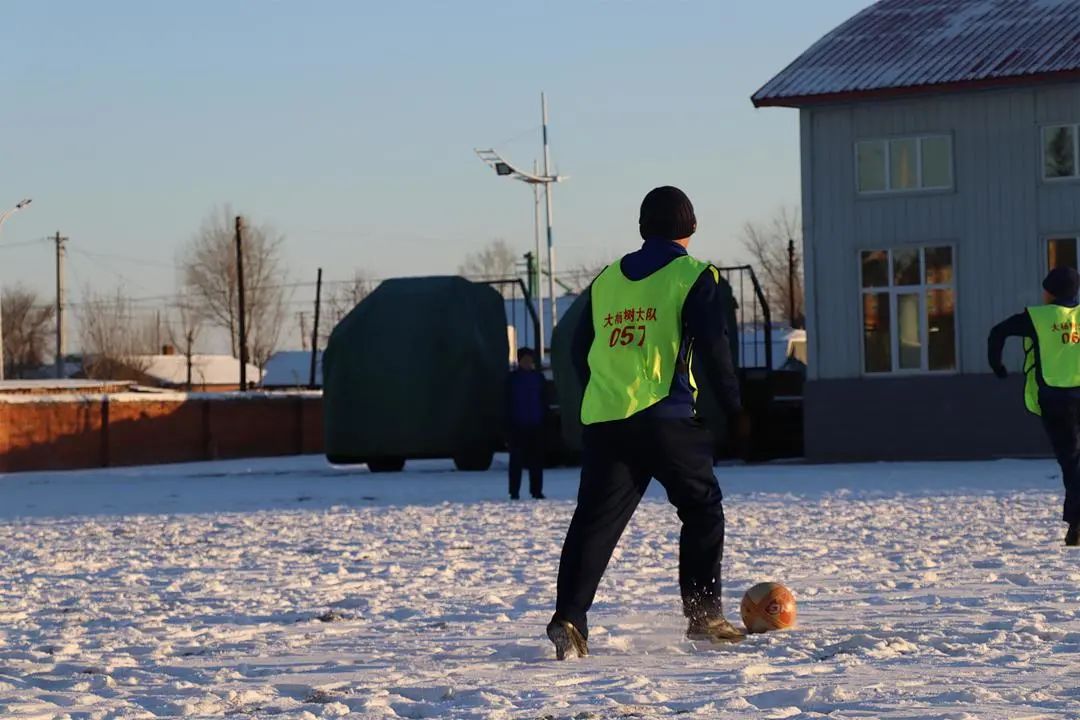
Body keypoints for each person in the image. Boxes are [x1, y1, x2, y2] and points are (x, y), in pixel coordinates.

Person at [546, 186, 747, 660]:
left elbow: (578, 349)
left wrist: (604, 386)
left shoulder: (608, 279)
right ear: (690, 228)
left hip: (607, 420)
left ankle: (569, 618)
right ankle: (703, 616)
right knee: (701, 509)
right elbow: (714, 349)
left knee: (594, 523)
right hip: (666, 415)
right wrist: (736, 410)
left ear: (642, 228)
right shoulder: (694, 275)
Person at [988, 266, 1080, 547]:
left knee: (1072, 462)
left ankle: (1076, 526)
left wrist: (998, 366)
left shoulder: (1037, 318)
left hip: (1055, 401)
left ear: (1050, 292)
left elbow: (998, 332)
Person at [507, 347, 546, 500]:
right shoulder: (512, 379)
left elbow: (544, 400)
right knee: (516, 461)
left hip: (535, 425)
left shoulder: (538, 378)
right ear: (519, 361)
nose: (528, 363)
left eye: (530, 360)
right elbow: (506, 402)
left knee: (536, 461)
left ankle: (536, 491)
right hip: (518, 425)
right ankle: (514, 491)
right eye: (525, 360)